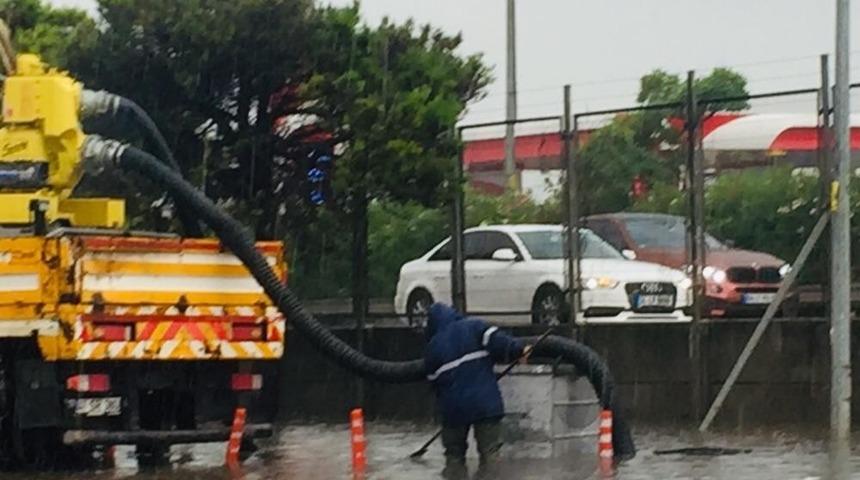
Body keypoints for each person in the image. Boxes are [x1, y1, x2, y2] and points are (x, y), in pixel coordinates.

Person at [424, 303, 530, 479]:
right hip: (485, 404)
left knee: (454, 456)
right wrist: (519, 350)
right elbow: (498, 340)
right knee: (490, 453)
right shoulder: (473, 326)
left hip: (453, 410)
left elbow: (434, 383)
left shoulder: (432, 348)